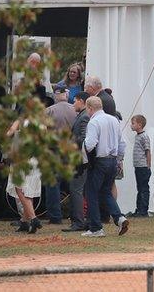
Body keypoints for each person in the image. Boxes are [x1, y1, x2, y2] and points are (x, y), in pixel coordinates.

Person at [81, 96, 130, 237]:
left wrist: (82, 158)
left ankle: (96, 228)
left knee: (91, 193)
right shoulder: (114, 119)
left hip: (99, 161)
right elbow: (122, 143)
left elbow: (90, 144)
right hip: (113, 160)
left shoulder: (94, 122)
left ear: (89, 108)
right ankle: (120, 218)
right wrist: (120, 160)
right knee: (105, 191)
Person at [43, 87, 77, 224]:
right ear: (67, 95)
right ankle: (77, 215)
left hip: (54, 150)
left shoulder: (49, 111)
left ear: (56, 96)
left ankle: (55, 216)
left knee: (52, 184)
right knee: (74, 185)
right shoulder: (75, 110)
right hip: (72, 150)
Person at [5, 117, 42, 234]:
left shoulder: (20, 121)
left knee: (19, 189)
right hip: (35, 159)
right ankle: (25, 221)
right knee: (28, 191)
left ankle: (33, 218)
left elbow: (8, 134)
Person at [62, 91, 92, 232]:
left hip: (79, 159)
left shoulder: (84, 116)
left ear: (82, 101)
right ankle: (82, 220)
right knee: (78, 190)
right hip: (79, 158)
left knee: (76, 190)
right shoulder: (82, 115)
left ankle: (78, 222)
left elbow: (84, 138)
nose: (73, 104)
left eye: (75, 101)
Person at [130, 115, 151, 217]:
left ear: (139, 125)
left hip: (143, 167)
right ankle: (138, 209)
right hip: (138, 166)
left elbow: (147, 151)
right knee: (140, 188)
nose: (131, 125)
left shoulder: (144, 137)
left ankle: (143, 210)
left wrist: (148, 165)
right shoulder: (137, 136)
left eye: (133, 123)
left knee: (143, 188)